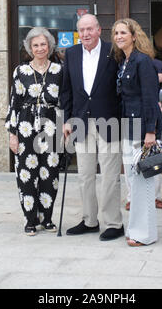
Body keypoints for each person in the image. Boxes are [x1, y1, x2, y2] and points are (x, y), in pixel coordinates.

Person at [60, 14, 124, 241]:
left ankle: (114, 223)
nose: (86, 34)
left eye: (90, 29)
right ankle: (89, 221)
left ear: (99, 30)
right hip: (80, 122)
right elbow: (66, 91)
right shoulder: (71, 54)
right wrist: (66, 120)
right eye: (82, 30)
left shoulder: (113, 52)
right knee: (85, 176)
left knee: (110, 177)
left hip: (110, 122)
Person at [5, 27, 63, 236]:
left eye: (43, 44)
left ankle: (47, 218)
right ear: (30, 48)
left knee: (50, 173)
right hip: (26, 125)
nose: (40, 48)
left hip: (52, 125)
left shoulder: (59, 70)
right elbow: (14, 103)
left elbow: (65, 101)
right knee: (27, 174)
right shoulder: (20, 71)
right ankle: (30, 219)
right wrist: (12, 134)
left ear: (49, 46)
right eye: (35, 45)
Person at [112, 18, 160, 246]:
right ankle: (136, 229)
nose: (119, 36)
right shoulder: (125, 62)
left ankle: (145, 235)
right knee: (134, 182)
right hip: (128, 128)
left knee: (144, 184)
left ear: (134, 35)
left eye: (123, 32)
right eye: (116, 33)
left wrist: (150, 132)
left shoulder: (143, 62)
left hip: (142, 130)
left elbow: (151, 99)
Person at [124, 58, 162, 211]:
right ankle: (131, 198)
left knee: (153, 157)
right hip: (129, 116)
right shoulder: (122, 64)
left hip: (150, 117)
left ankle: (155, 197)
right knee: (129, 160)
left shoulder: (155, 63)